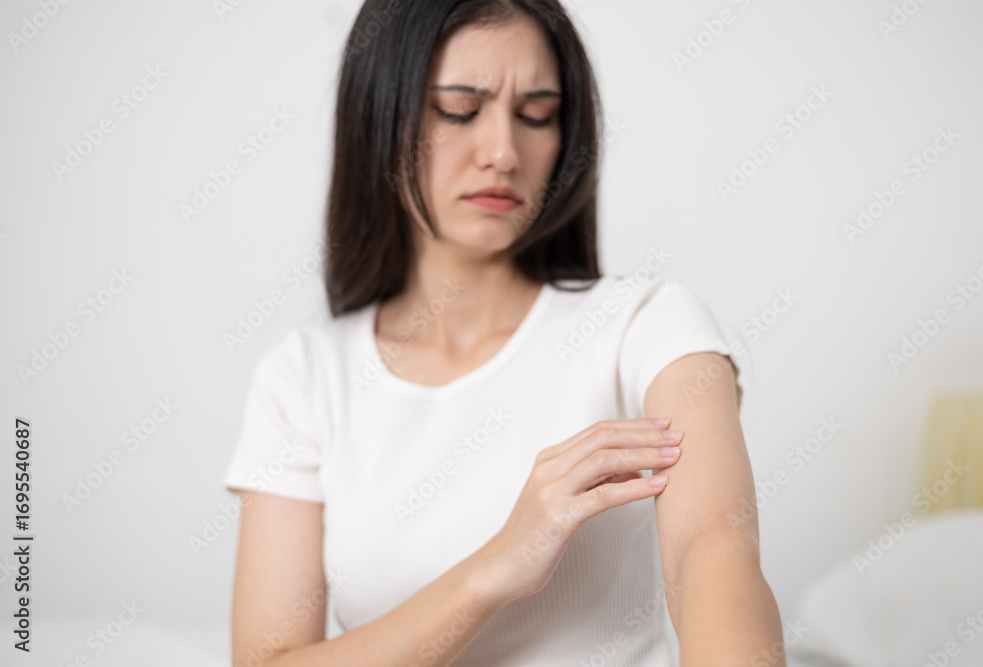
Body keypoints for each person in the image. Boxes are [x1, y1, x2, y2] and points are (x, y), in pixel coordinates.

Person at [222, 1, 785, 665]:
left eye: (537, 115)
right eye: (460, 109)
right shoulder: (302, 377)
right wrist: (494, 568)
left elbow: (713, 546)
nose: (504, 153)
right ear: (377, 116)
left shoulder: (647, 324)